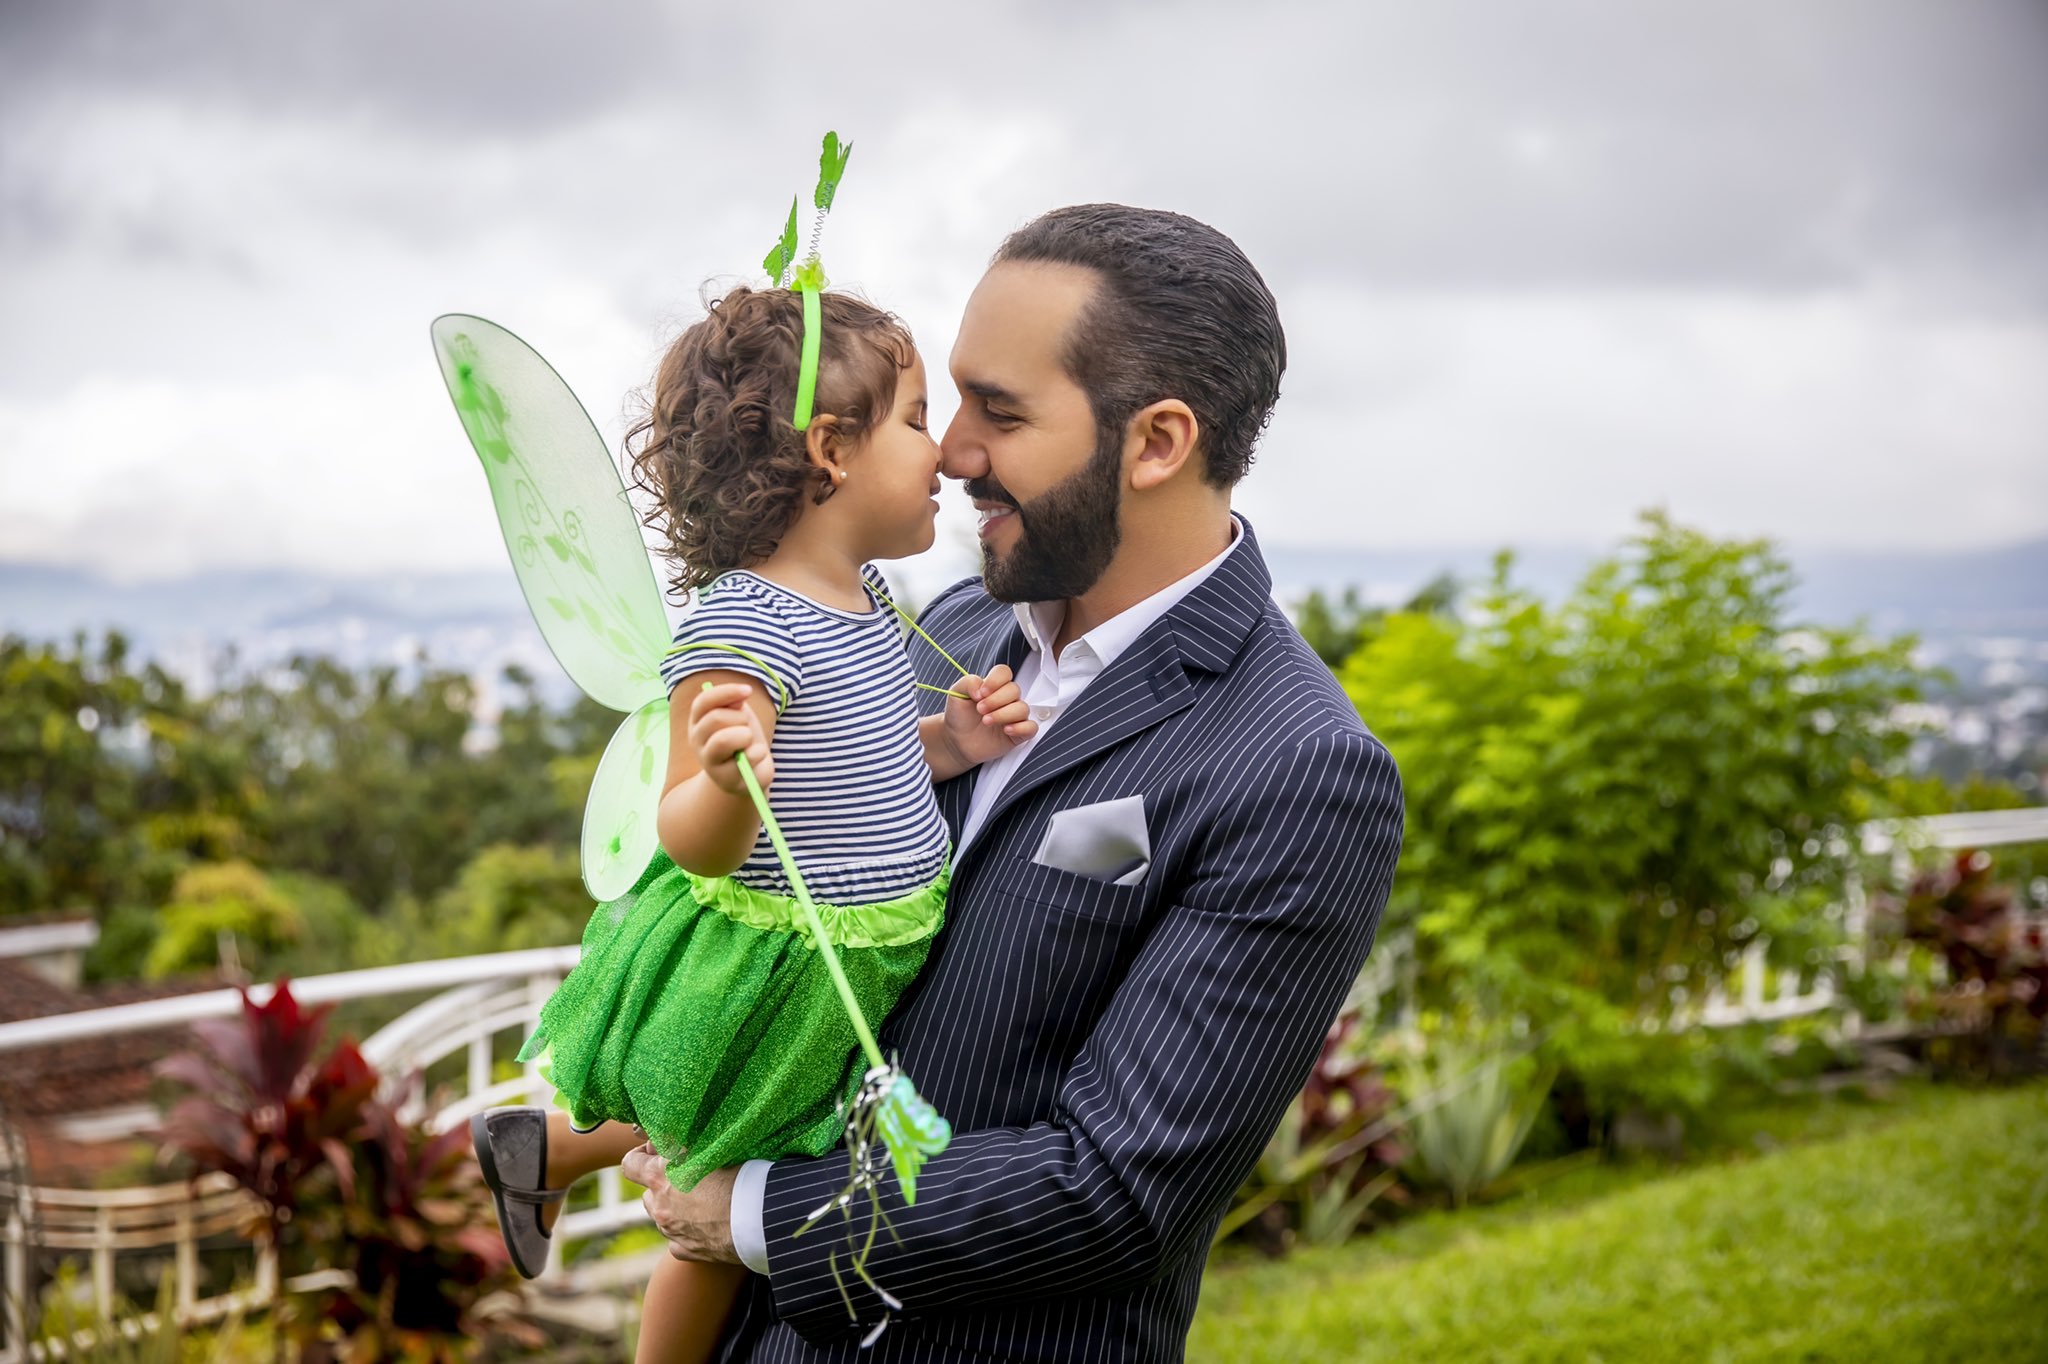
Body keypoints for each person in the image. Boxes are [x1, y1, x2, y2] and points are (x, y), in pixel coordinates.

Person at [626, 203, 1407, 1363]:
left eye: (1000, 412)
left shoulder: (1299, 766)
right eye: (948, 403)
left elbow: (1113, 1186)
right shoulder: (947, 621)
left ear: (1154, 443)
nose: (948, 453)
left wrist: (744, 1214)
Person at [468, 283, 1038, 1364]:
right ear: (831, 448)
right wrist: (728, 786)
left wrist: (951, 745)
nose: (946, 452)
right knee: (709, 1208)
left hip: (860, 952)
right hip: (788, 962)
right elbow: (686, 828)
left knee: (716, 1123)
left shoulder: (866, 592)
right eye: (917, 420)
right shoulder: (741, 622)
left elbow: (855, 774)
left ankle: (538, 1146)